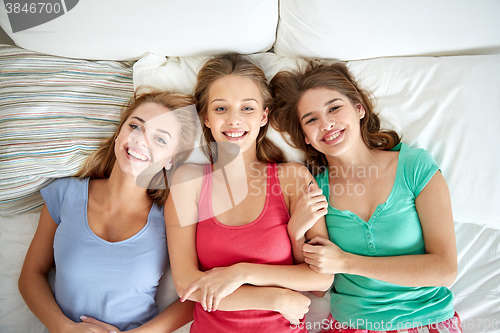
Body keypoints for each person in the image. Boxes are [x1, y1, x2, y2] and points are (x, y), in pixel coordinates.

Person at [269, 61, 462, 333]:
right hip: (350, 325)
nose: (326, 123)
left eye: (334, 108)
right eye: (311, 119)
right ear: (307, 138)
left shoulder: (414, 166)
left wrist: (347, 262)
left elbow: (444, 270)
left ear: (359, 109)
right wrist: (296, 231)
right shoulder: (314, 191)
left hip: (427, 321)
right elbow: (318, 288)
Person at [165, 53, 334, 332]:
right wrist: (273, 297)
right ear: (205, 117)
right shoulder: (188, 181)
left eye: (247, 108)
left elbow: (321, 279)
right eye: (221, 109)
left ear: (264, 115)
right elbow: (187, 285)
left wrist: (242, 273)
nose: (234, 120)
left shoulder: (291, 178)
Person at [18, 90, 199, 333]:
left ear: (170, 160)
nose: (141, 140)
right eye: (136, 127)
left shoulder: (171, 216)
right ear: (118, 134)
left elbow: (194, 296)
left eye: (160, 139)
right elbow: (31, 275)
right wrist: (64, 328)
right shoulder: (63, 194)